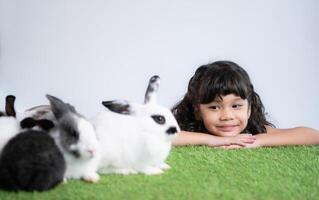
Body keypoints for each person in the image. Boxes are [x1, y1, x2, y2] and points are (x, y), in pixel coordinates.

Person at [171, 60, 319, 148]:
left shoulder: (251, 132)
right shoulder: (191, 129)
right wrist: (216, 140)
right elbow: (161, 137)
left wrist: (257, 141)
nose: (227, 116)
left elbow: (313, 135)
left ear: (249, 109)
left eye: (236, 106)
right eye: (214, 107)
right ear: (197, 110)